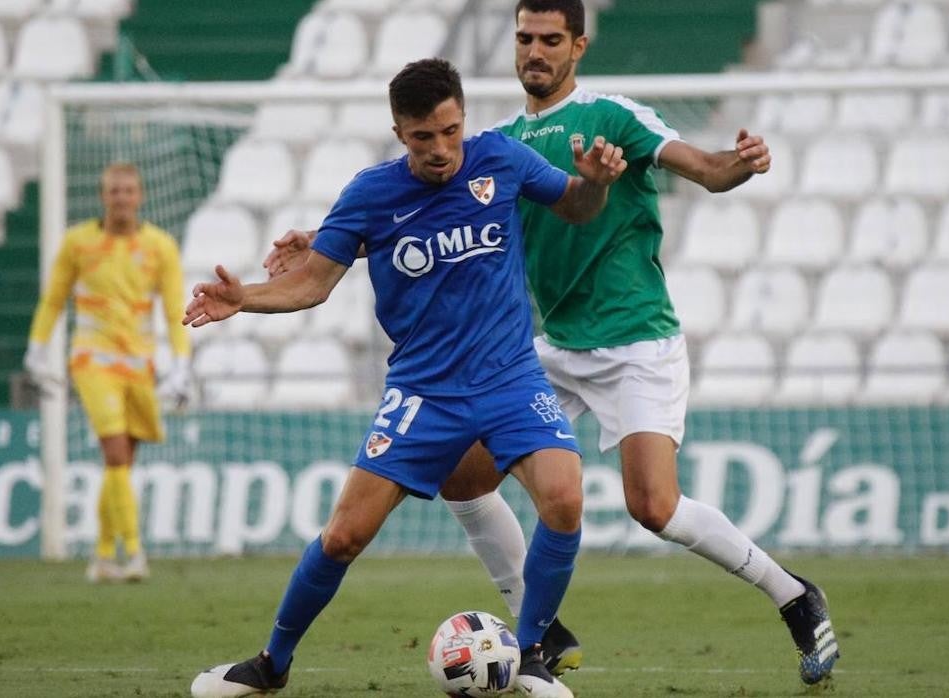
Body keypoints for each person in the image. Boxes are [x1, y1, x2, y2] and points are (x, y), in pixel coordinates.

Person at [263, 0, 839, 687]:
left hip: (633, 338)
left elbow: (706, 170)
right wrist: (329, 243)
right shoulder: (496, 144)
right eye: (525, 38)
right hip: (551, 346)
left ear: (579, 46)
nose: (534, 51)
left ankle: (794, 596)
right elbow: (428, 226)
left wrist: (742, 162)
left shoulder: (613, 116)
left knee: (652, 506)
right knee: (462, 477)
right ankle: (539, 630)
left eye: (550, 39)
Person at [186, 58, 626, 698]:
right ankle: (270, 664)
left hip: (509, 378)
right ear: (400, 133)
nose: (442, 149)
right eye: (424, 137)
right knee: (343, 536)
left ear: (463, 118)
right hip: (423, 392)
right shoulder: (370, 194)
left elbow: (579, 207)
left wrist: (597, 185)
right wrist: (244, 298)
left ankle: (530, 656)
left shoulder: (501, 159)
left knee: (564, 498)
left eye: (450, 131)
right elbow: (310, 283)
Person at [24, 162, 192, 584]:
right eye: (114, 191)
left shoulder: (160, 247)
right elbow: (53, 299)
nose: (121, 198)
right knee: (115, 451)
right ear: (103, 196)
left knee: (121, 461)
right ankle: (134, 553)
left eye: (128, 191)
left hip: (139, 364)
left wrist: (180, 364)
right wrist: (38, 347)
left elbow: (174, 312)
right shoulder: (77, 243)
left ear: (140, 196)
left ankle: (101, 557)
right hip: (92, 360)